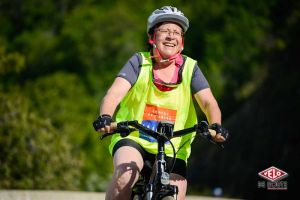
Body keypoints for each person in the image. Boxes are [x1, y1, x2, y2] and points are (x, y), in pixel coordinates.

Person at [93, 6, 228, 200]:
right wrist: (105, 117)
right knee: (125, 177)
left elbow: (208, 102)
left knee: (173, 196)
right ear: (152, 37)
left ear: (182, 41)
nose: (171, 36)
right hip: (134, 137)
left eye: (176, 33)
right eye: (165, 31)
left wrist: (216, 126)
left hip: (174, 144)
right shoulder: (139, 62)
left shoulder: (191, 68)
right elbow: (113, 94)